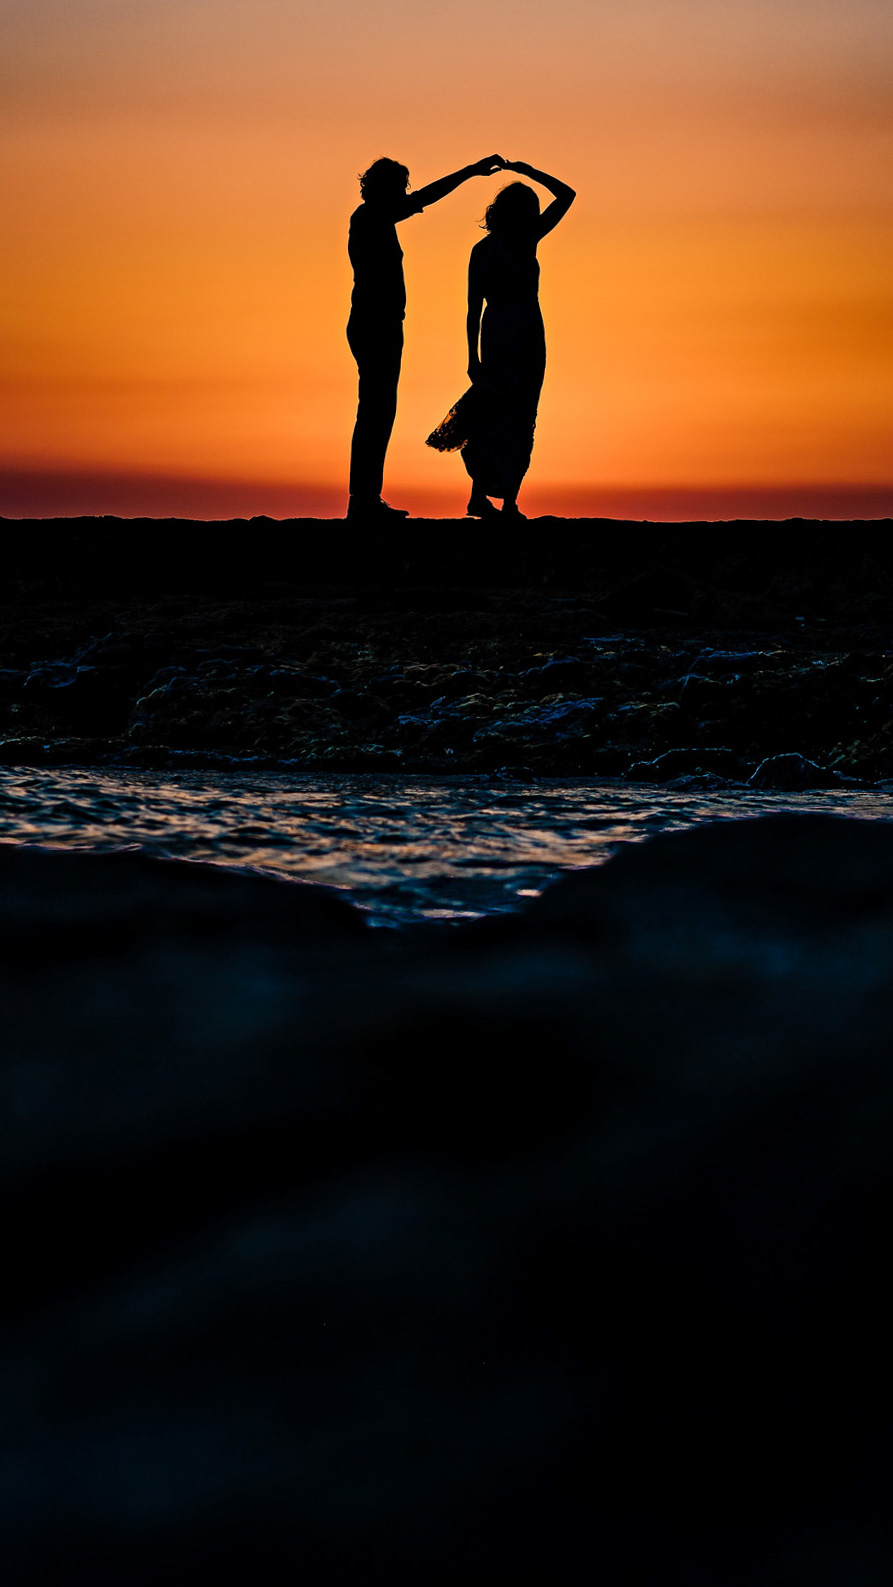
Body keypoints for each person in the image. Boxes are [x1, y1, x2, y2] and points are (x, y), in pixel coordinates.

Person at [346, 154, 505, 524]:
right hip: (376, 324)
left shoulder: (374, 217)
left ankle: (366, 497)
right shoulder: (371, 217)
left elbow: (419, 199)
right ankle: (363, 500)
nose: (404, 194)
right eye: (399, 188)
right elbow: (424, 198)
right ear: (383, 188)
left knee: (377, 410)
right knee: (375, 411)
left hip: (379, 323)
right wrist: (469, 171)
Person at [426, 160, 575, 519]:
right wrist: (472, 358)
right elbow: (471, 308)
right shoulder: (513, 243)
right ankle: (496, 500)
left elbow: (472, 310)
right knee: (507, 417)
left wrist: (472, 356)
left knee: (507, 416)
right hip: (514, 333)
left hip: (511, 333)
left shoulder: (506, 244)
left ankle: (497, 499)